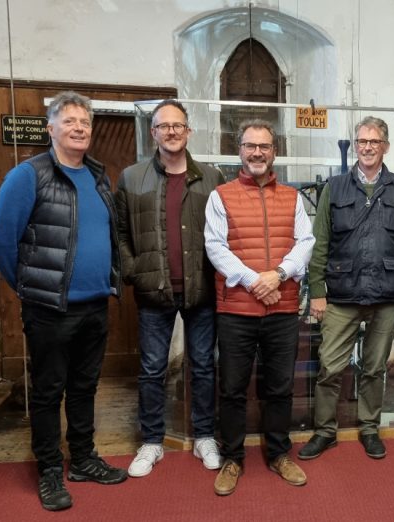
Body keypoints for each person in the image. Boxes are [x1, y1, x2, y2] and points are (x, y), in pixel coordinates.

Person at [0, 91, 127, 512]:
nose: (79, 128)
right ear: (50, 128)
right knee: (48, 391)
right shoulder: (28, 176)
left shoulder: (98, 176)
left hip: (95, 304)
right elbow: (1, 243)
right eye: (69, 121)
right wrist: (30, 289)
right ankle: (49, 468)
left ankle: (82, 459)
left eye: (85, 122)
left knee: (85, 387)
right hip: (49, 308)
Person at [204, 119, 315, 496]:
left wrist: (278, 275)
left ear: (274, 152)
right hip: (237, 310)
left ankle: (279, 454)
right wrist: (256, 281)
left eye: (264, 146)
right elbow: (215, 247)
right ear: (240, 151)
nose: (257, 153)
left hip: (281, 309)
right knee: (233, 388)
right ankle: (233, 458)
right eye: (250, 146)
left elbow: (306, 241)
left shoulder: (293, 197)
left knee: (280, 387)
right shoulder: (220, 196)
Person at [116, 100, 225, 477]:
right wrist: (134, 270)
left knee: (203, 366)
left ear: (188, 131)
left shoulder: (211, 178)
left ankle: (205, 436)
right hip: (153, 290)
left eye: (178, 125)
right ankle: (151, 441)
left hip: (202, 289)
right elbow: (120, 232)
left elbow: (225, 233)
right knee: (151, 368)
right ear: (153, 133)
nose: (172, 132)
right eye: (164, 126)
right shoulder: (132, 178)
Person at [298, 116, 394, 462]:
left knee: (375, 368)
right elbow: (319, 242)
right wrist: (317, 291)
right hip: (342, 294)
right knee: (330, 367)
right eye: (362, 141)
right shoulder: (335, 188)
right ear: (356, 145)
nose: (367, 147)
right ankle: (324, 431)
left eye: (374, 141)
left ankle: (369, 428)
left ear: (385, 147)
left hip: (387, 294)